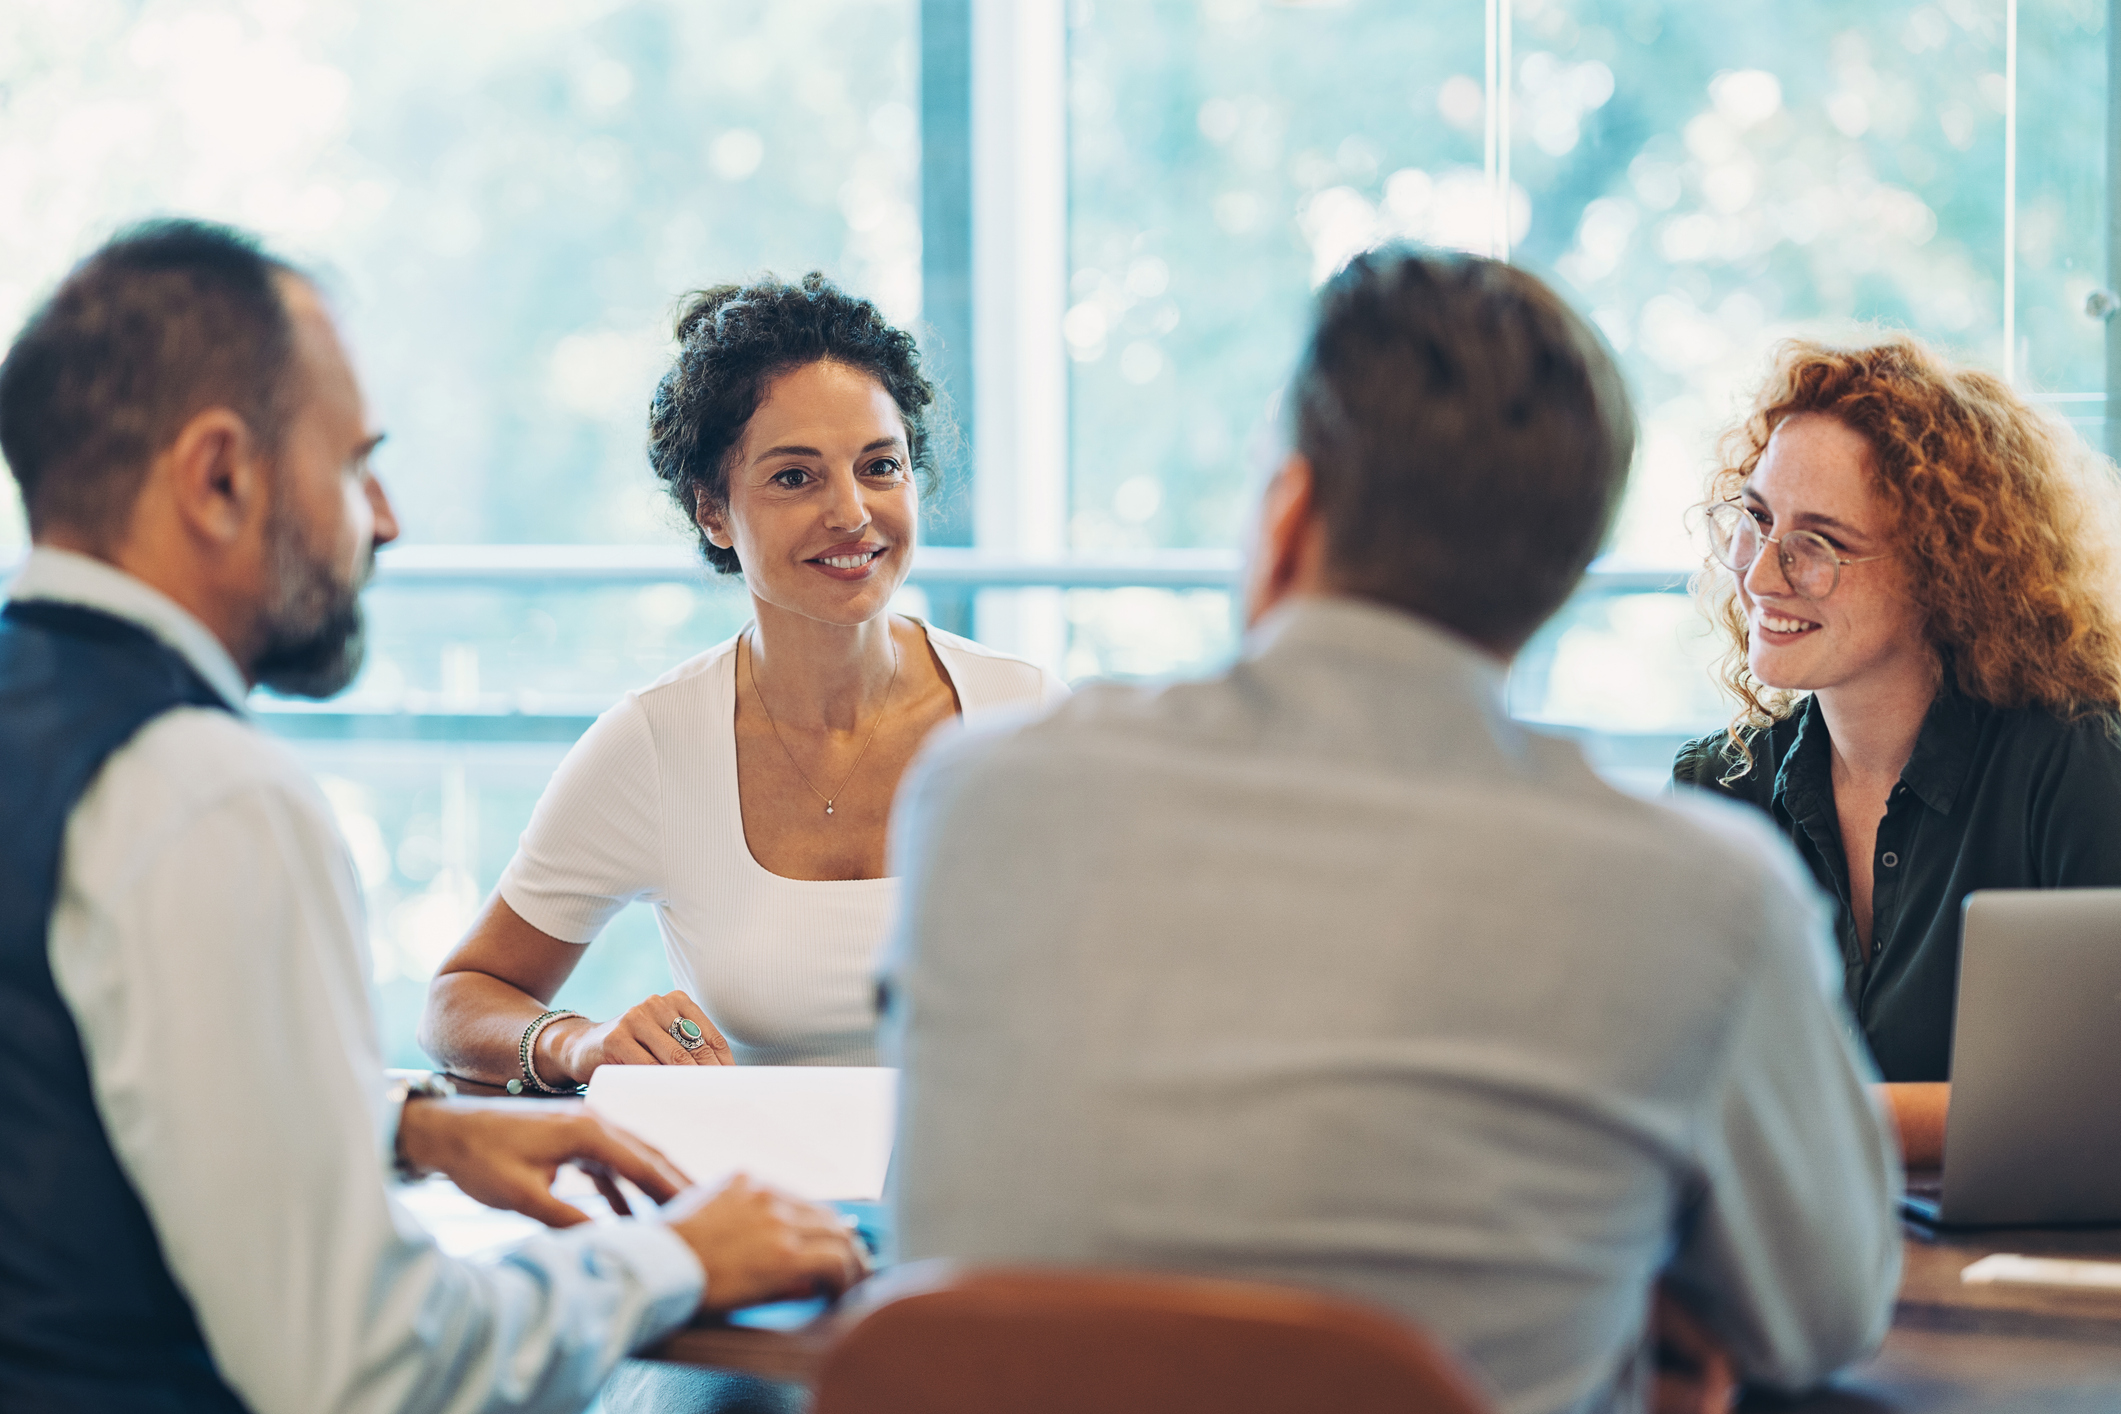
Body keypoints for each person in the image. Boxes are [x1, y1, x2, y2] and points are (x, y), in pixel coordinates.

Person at [880, 247, 1900, 1414]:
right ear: (1557, 577)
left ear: (1291, 512)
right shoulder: (1706, 899)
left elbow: (934, 1230)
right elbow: (1822, 1315)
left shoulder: (978, 794)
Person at [0, 219, 865, 1413]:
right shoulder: (206, 793)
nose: (388, 518)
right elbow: (368, 1366)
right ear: (219, 476)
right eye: (356, 464)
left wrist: (411, 1125)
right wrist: (679, 1256)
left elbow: (67, 1104)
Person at [420, 274, 1063, 1089]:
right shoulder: (656, 745)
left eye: (879, 467)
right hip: (766, 1204)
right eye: (795, 477)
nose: (852, 514)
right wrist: (578, 1043)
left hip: (1007, 1192)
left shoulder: (1028, 715)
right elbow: (458, 999)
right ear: (712, 511)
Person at [1672, 335, 2121, 1168]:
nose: (1761, 576)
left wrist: (1795, 1119)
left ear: (1944, 572)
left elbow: (2100, 1105)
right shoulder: (1718, 788)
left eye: (1819, 544)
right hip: (1790, 1270)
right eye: (1757, 519)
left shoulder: (2077, 765)